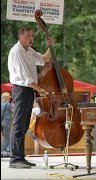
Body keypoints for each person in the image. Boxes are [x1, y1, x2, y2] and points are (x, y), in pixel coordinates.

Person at [8, 26, 52, 168]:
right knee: (19, 124)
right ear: (21, 37)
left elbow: (43, 59)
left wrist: (50, 47)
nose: (31, 38)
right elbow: (26, 78)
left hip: (28, 90)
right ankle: (14, 159)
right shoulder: (17, 52)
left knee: (24, 124)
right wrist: (40, 89)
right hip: (21, 90)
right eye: (28, 35)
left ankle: (20, 157)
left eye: (32, 35)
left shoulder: (28, 50)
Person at [1, 92, 13, 158]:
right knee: (6, 137)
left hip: (1, 122)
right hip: (6, 122)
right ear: (7, 98)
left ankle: (8, 150)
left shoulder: (1, 104)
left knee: (5, 137)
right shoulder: (8, 105)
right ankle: (2, 151)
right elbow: (13, 112)